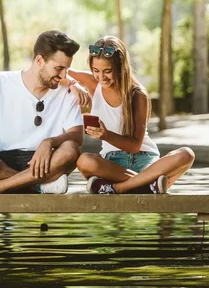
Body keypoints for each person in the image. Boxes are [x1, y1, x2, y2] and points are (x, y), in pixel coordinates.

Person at [0, 30, 84, 194]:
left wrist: (48, 142)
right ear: (39, 60)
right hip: (2, 161)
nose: (64, 75)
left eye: (67, 69)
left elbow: (77, 137)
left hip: (44, 162)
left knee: (70, 150)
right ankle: (36, 186)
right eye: (59, 68)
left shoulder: (68, 91)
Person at [67, 35, 195, 194]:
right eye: (96, 71)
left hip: (145, 160)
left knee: (186, 155)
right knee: (84, 160)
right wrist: (74, 85)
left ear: (121, 67)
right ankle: (148, 185)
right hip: (113, 163)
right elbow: (59, 70)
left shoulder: (138, 94)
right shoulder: (94, 83)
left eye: (107, 71)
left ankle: (117, 188)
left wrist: (106, 135)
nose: (101, 77)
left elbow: (135, 146)